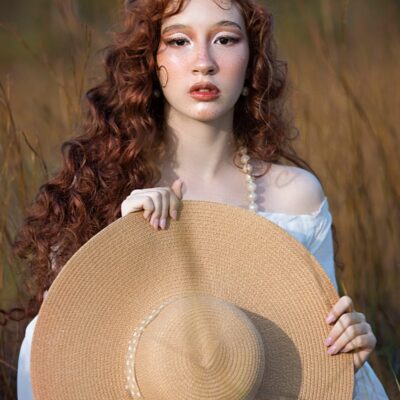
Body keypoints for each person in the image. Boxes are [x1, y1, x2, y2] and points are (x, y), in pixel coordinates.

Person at [7, 0, 389, 398]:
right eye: (179, 41)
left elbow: (320, 346)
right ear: (150, 61)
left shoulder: (295, 197)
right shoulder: (96, 192)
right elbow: (56, 350)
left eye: (225, 39)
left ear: (252, 60)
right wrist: (121, 245)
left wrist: (347, 348)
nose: (203, 63)